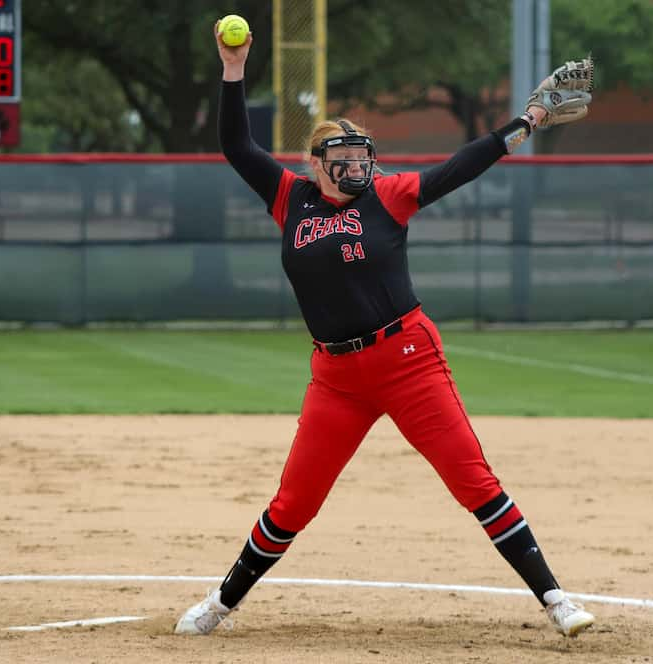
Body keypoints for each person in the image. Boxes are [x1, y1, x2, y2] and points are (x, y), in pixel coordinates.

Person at [175, 21, 595, 639]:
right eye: (343, 160)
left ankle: (556, 599)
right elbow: (237, 145)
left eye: (361, 158)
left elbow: (458, 167)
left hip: (407, 361)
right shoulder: (290, 197)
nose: (357, 168)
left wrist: (526, 120)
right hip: (336, 378)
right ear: (317, 164)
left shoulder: (389, 194)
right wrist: (233, 69)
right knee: (294, 504)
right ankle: (220, 603)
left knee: (472, 479)